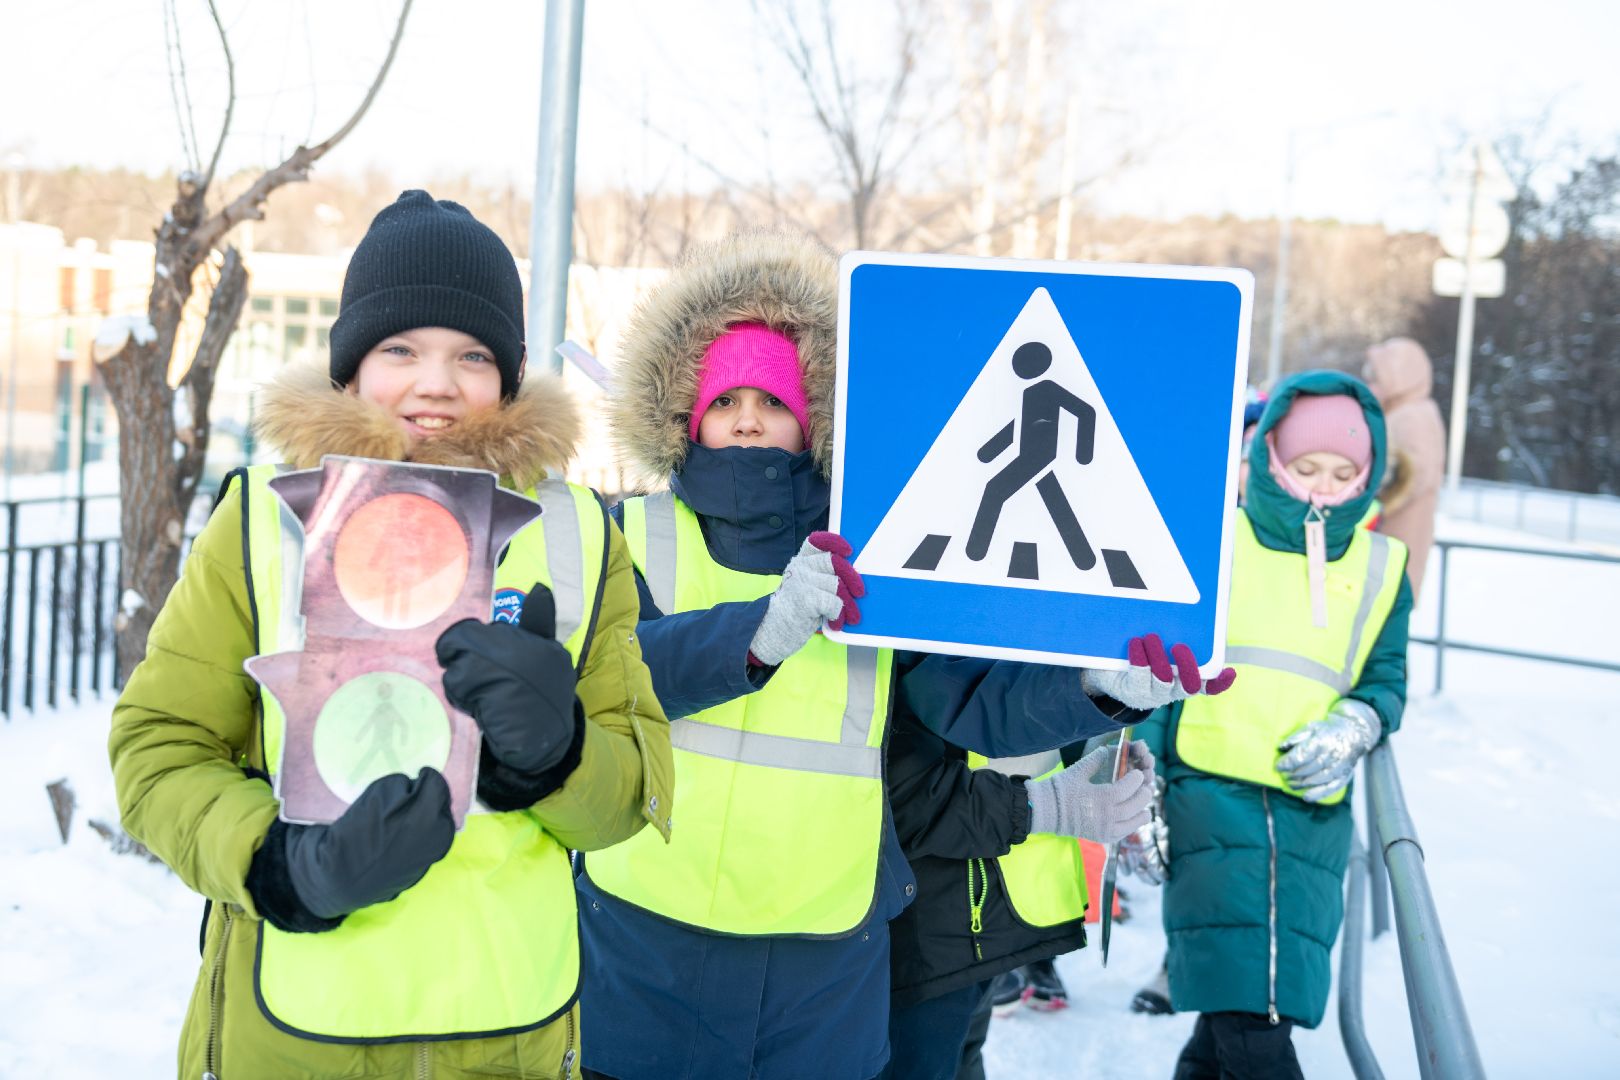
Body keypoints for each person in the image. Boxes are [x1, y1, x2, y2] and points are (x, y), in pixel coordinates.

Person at [578, 230, 1227, 1080]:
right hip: (643, 933)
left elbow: (969, 699)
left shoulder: (879, 557)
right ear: (684, 415)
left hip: (824, 949)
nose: (746, 417)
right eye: (724, 398)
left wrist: (1100, 687)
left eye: (772, 402)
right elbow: (603, 681)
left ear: (813, 416)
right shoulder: (629, 531)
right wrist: (757, 632)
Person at [108, 191, 674, 1079]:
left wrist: (559, 755)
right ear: (351, 365)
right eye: (400, 347)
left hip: (508, 1027)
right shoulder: (263, 520)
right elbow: (158, 751)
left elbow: (629, 797)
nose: (436, 382)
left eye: (474, 354)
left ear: (511, 373)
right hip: (295, 1027)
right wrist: (285, 866)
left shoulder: (576, 532)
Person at [1125, 370, 1412, 1079]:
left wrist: (1358, 722)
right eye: (1307, 466)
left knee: (1244, 1017)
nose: (1322, 486)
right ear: (1272, 458)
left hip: (1310, 817)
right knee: (1253, 1023)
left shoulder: (1383, 564)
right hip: (1207, 803)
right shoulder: (1215, 540)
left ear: (1368, 472)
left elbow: (1386, 676)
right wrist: (1139, 786)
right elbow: (1156, 674)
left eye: (1343, 472)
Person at [1364, 337, 1444, 593]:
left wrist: (1372, 501)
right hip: (1398, 529)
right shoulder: (1408, 412)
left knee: (1386, 602)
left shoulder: (1411, 416)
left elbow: (1413, 474)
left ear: (1399, 378)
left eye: (1377, 378)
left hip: (1398, 530)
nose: (1372, 386)